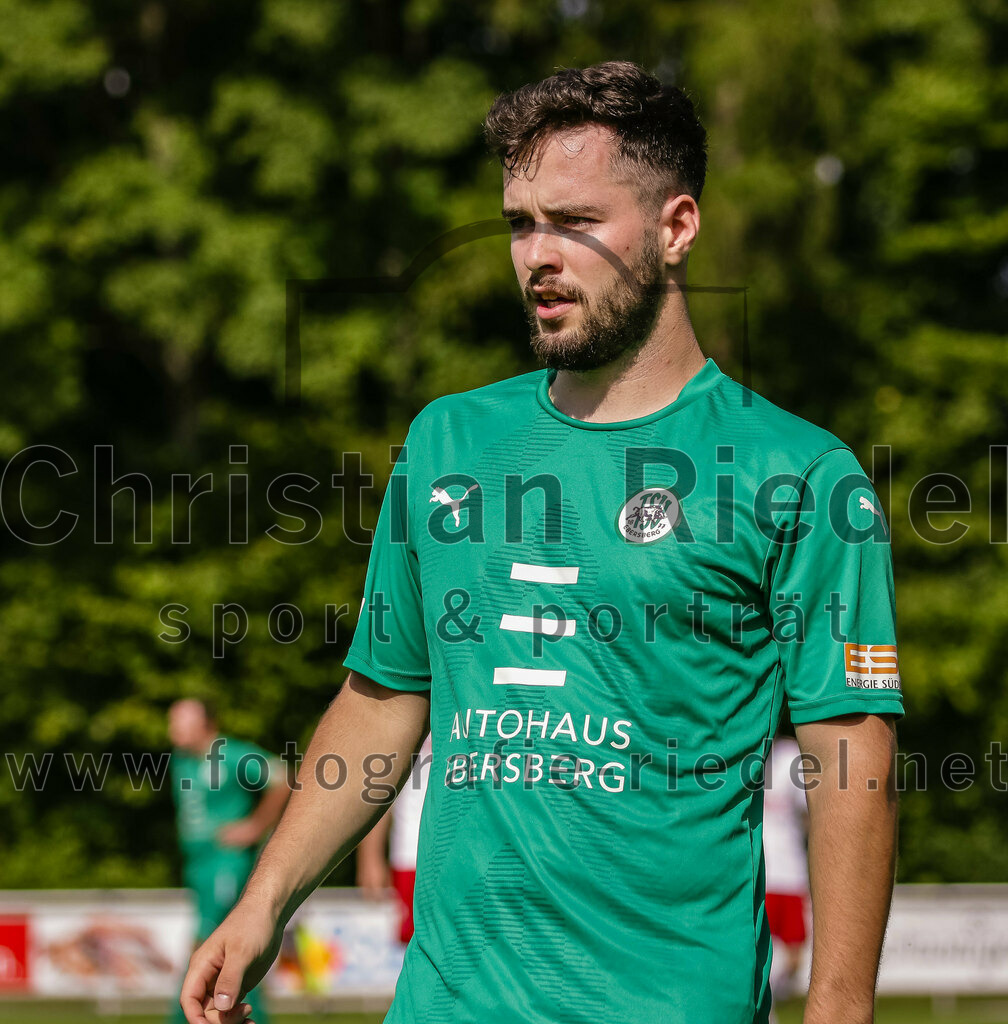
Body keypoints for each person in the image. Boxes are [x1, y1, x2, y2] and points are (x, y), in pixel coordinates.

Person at [181, 61, 904, 1024]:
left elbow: (852, 749)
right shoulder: (448, 441)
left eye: (576, 222)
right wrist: (264, 901)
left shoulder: (799, 476)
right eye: (522, 224)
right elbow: (386, 695)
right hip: (445, 1004)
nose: (537, 256)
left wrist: (842, 1004)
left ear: (675, 227)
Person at [168, 698, 288, 1024]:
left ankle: (183, 1016)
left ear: (205, 723)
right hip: (199, 867)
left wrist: (255, 826)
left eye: (180, 721)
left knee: (208, 943)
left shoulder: (230, 753)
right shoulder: (181, 760)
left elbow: (281, 775)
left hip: (228, 865)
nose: (172, 729)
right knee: (226, 951)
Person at [356, 733, 433, 944]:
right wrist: (370, 857)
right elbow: (381, 791)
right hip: (411, 856)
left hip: (465, 854)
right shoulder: (413, 715)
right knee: (414, 942)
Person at [763, 717, 811, 1006]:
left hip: (790, 871)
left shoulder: (793, 756)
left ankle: (769, 1002)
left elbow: (810, 814)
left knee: (794, 957)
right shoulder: (740, 752)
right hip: (757, 874)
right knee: (753, 954)